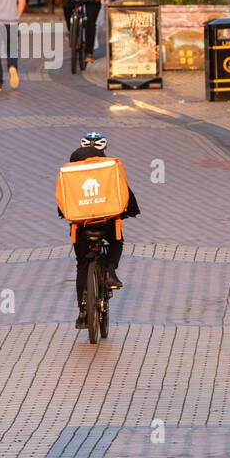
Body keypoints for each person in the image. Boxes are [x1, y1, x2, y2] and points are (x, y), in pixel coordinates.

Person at [64, 132, 140, 327]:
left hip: (81, 227)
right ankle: (110, 272)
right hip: (107, 225)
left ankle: (83, 310)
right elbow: (125, 192)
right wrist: (132, 210)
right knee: (117, 241)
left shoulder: (70, 173)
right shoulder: (110, 169)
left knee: (82, 265)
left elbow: (63, 201)